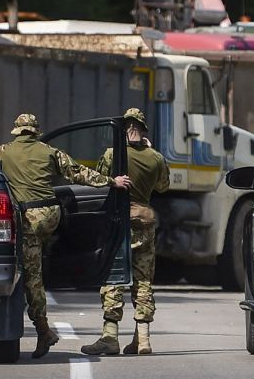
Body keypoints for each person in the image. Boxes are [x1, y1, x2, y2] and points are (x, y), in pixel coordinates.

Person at [0, 112, 130, 359]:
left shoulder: (1, 152)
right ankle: (60, 266)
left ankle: (44, 330)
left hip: (26, 217)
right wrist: (113, 181)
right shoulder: (48, 151)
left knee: (31, 276)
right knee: (43, 252)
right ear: (35, 131)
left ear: (16, 132)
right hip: (50, 214)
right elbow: (79, 173)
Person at [81, 108, 170, 356]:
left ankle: (110, 337)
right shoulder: (156, 157)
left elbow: (99, 179)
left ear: (123, 129)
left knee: (113, 278)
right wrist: (153, 152)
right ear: (143, 130)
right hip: (144, 224)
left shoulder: (112, 154)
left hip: (119, 223)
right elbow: (163, 186)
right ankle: (143, 339)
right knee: (143, 280)